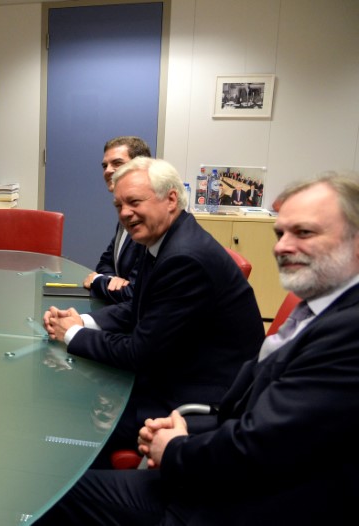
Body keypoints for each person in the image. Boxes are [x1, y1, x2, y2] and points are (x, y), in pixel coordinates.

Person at [37, 172, 359, 525]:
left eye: (304, 232)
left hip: (237, 501)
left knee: (53, 488)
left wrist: (175, 447)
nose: (281, 246)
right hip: (220, 444)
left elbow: (259, 447)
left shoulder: (347, 332)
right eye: (280, 233)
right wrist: (187, 432)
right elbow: (263, 421)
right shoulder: (322, 307)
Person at [43, 157, 265, 468]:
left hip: (195, 397)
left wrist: (72, 335)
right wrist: (84, 321)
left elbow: (139, 353)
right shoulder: (164, 239)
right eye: (118, 205)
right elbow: (139, 308)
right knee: (72, 396)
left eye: (133, 202)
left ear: (171, 199)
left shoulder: (184, 257)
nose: (124, 214)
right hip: (177, 370)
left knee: (73, 417)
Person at [83, 136, 151, 304]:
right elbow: (106, 262)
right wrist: (112, 279)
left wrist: (98, 281)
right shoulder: (125, 210)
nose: (107, 170)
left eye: (117, 163)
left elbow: (134, 292)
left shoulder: (148, 217)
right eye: (105, 165)